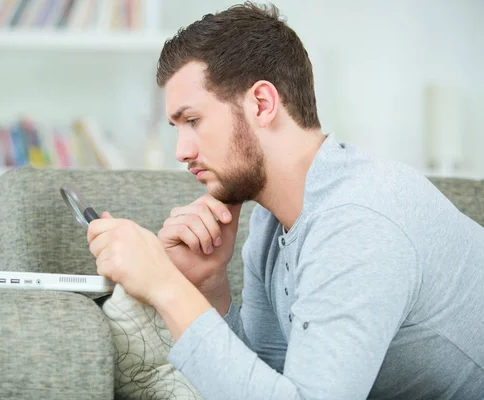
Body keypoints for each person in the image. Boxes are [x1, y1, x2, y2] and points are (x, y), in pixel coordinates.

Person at [87, 2, 484, 399]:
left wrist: (166, 286)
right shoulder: (272, 221)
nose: (182, 151)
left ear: (262, 103)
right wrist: (210, 286)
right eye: (177, 128)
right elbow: (269, 380)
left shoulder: (357, 221)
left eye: (193, 121)